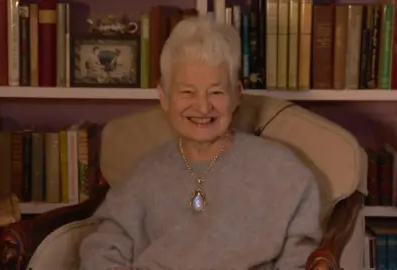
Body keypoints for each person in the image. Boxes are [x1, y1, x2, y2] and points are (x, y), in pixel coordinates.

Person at [79, 16, 322, 270]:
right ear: (164, 97)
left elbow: (300, 258)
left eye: (216, 92)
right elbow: (103, 248)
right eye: (187, 92)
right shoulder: (143, 175)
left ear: (237, 95)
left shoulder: (284, 172)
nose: (203, 107)